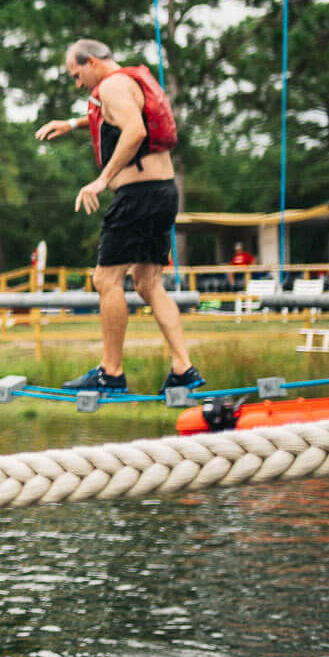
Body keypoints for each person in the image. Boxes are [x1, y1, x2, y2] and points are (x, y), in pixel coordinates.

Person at [33, 38, 201, 396]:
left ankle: (111, 373)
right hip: (163, 192)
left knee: (106, 280)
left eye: (76, 74)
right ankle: (183, 367)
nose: (76, 83)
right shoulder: (130, 80)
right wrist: (73, 124)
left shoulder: (110, 86)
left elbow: (135, 130)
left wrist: (101, 180)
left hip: (137, 197)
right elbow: (119, 115)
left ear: (91, 62)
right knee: (147, 283)